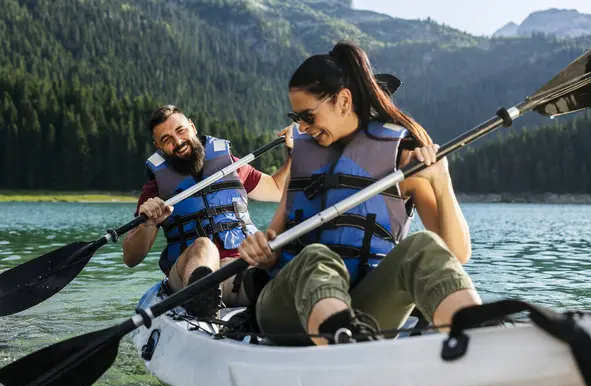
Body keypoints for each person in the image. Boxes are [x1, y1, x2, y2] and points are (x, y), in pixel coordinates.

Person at [237, 41, 482, 346]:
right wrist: (262, 249)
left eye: (308, 116)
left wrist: (441, 178)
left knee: (424, 247)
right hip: (288, 311)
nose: (301, 126)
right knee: (316, 257)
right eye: (296, 117)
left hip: (365, 313)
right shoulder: (303, 157)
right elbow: (275, 234)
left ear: (343, 101)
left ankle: (475, 335)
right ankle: (341, 342)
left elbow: (456, 254)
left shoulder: (399, 161)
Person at [123, 105, 293, 318]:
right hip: (187, 275)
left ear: (192, 127)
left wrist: (293, 154)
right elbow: (131, 257)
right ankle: (200, 303)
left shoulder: (230, 165)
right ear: (158, 146)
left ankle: (263, 300)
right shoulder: (156, 188)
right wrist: (147, 224)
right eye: (166, 139)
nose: (177, 141)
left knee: (266, 271)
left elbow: (277, 189)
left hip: (237, 269)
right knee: (204, 246)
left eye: (180, 130)